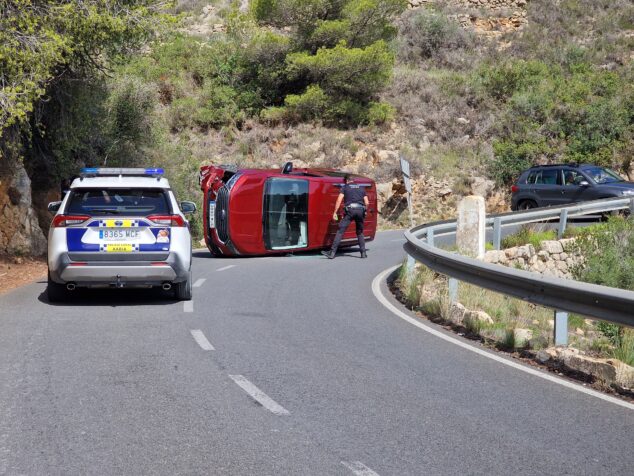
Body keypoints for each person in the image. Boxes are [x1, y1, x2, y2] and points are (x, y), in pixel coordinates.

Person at [321, 174, 369, 259]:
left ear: (346, 181)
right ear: (353, 180)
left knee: (340, 230)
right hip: (360, 210)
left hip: (350, 210)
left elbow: (339, 200)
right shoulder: (361, 188)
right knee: (360, 232)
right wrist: (365, 211)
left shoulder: (345, 187)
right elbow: (367, 202)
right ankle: (363, 253)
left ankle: (332, 253)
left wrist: (335, 212)